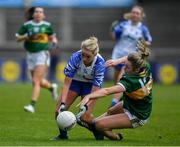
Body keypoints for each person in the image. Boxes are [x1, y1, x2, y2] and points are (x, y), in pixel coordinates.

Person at [78, 40, 153, 140]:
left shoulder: (131, 82)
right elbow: (130, 58)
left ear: (135, 70)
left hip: (137, 115)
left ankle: (115, 137)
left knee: (98, 125)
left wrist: (88, 96)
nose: (124, 69)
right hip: (131, 103)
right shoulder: (144, 66)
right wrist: (117, 61)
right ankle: (94, 126)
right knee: (110, 111)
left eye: (127, 67)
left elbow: (107, 91)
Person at [52, 36, 105, 140]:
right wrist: (62, 103)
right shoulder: (76, 57)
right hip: (75, 83)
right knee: (58, 110)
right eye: (83, 54)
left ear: (94, 55)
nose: (84, 58)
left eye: (88, 56)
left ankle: (97, 131)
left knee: (84, 117)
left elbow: (96, 89)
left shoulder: (100, 63)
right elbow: (66, 84)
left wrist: (86, 105)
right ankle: (63, 135)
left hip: (90, 87)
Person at [15, 7, 59, 113]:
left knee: (35, 81)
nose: (38, 13)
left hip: (42, 54)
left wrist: (54, 41)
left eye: (41, 12)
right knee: (38, 81)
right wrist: (25, 37)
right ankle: (52, 88)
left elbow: (52, 37)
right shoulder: (27, 26)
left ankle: (32, 105)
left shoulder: (47, 26)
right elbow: (17, 38)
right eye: (36, 12)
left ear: (43, 15)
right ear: (33, 14)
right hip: (30, 55)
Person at [110, 5, 152, 106]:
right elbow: (114, 37)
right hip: (118, 55)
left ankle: (113, 103)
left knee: (122, 75)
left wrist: (144, 43)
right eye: (133, 12)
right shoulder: (123, 24)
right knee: (117, 81)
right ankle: (120, 99)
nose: (135, 14)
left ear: (141, 16)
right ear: (131, 14)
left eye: (137, 13)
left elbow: (149, 41)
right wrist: (112, 30)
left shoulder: (143, 29)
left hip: (131, 58)